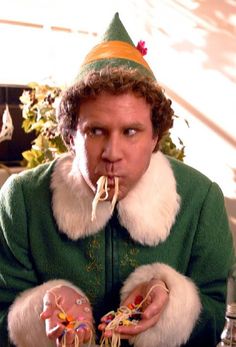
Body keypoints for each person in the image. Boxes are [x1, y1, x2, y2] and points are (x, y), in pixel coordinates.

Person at [0, 13, 234, 347]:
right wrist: (41, 307)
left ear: (155, 138)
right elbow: (2, 313)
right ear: (69, 137)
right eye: (95, 131)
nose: (112, 152)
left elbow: (218, 318)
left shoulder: (201, 200)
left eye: (131, 132)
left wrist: (172, 305)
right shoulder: (21, 200)